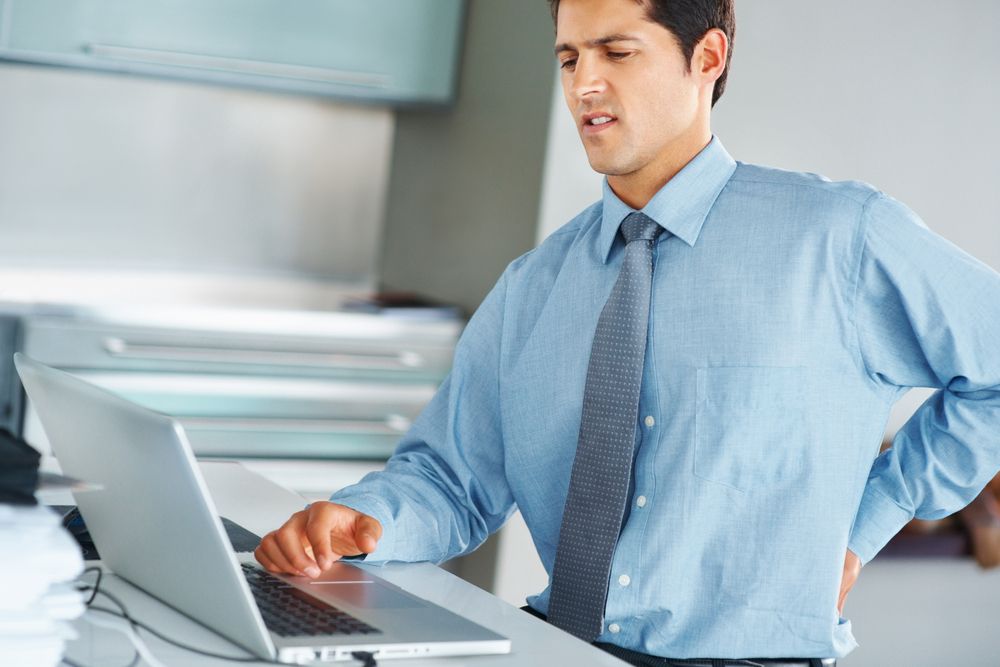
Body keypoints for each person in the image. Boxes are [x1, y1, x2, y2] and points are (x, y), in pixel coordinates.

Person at [255, 0, 1000, 664]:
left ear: (706, 58)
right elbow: (452, 479)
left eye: (617, 52)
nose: (584, 84)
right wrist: (364, 518)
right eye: (570, 56)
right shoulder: (534, 286)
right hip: (553, 645)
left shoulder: (838, 238)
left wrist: (863, 524)